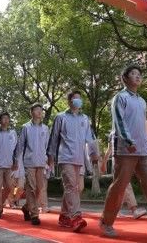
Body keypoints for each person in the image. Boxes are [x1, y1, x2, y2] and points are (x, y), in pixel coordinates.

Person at [100, 65, 147, 241]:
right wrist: (128, 140)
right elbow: (119, 122)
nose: (137, 76)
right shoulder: (120, 98)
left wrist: (144, 143)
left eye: (139, 74)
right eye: (133, 74)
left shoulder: (142, 101)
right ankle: (106, 222)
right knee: (119, 187)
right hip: (125, 150)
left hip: (143, 150)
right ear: (125, 78)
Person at [47, 91, 99, 233]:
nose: (78, 101)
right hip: (65, 157)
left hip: (79, 158)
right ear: (69, 101)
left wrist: (94, 154)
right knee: (71, 186)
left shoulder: (85, 119)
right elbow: (54, 138)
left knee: (75, 188)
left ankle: (64, 216)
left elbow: (90, 138)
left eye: (79, 99)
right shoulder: (61, 117)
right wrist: (50, 156)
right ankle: (76, 217)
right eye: (75, 99)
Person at [15, 103, 50, 225]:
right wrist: (15, 160)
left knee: (40, 188)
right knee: (31, 188)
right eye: (36, 109)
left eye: (41, 110)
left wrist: (49, 159)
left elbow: (47, 146)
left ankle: (26, 207)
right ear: (32, 112)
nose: (39, 112)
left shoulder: (45, 129)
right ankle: (34, 214)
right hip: (29, 162)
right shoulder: (26, 127)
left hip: (41, 162)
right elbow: (20, 145)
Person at [100, 132, 147, 219]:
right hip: (118, 163)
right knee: (125, 185)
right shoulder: (113, 134)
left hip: (125, 162)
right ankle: (134, 209)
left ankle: (112, 211)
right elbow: (109, 149)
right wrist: (103, 163)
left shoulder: (128, 131)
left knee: (118, 188)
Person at [0, 111, 18, 219]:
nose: (6, 120)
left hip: (9, 165)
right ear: (0, 121)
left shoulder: (13, 133)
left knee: (10, 187)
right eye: (4, 118)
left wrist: (15, 161)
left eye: (7, 118)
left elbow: (16, 149)